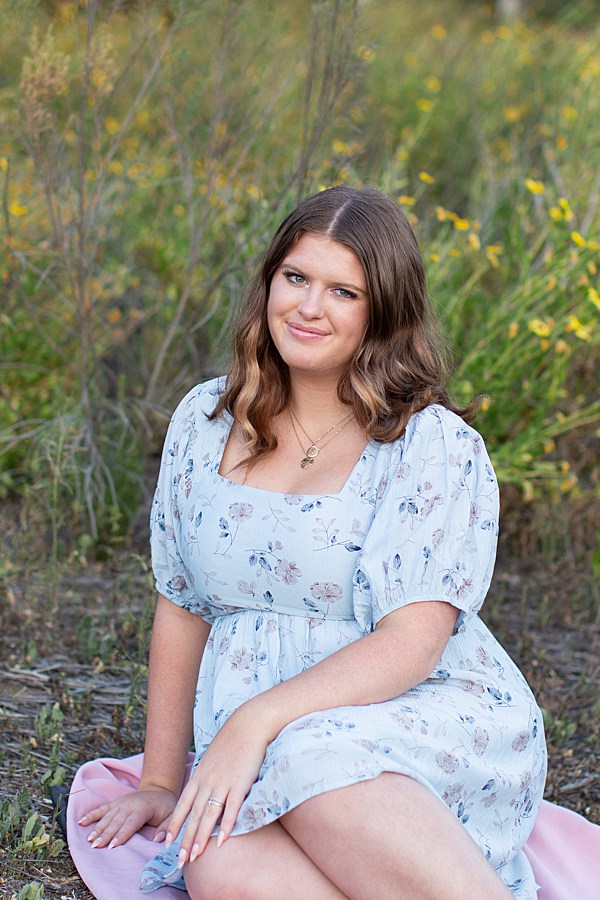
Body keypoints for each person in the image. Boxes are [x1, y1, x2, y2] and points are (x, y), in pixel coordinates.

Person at [76, 186, 548, 899]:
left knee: (311, 758)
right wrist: (161, 780)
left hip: (417, 716)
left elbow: (413, 643)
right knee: (217, 865)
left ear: (382, 313)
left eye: (343, 291)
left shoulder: (431, 447)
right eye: (295, 277)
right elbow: (181, 604)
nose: (307, 306)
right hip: (263, 743)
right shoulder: (202, 423)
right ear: (269, 280)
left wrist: (255, 723)